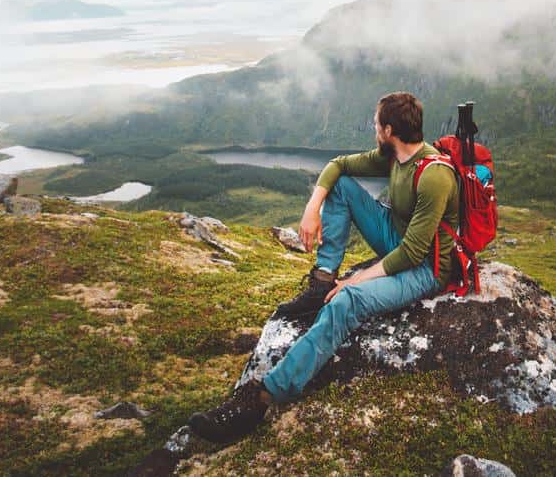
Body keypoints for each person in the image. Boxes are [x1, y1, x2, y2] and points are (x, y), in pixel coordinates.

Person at [188, 91, 460, 442]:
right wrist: (312, 207)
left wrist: (357, 280)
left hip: (426, 267)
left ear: (389, 129)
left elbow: (412, 253)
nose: (374, 128)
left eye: (377, 124)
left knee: (347, 302)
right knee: (341, 187)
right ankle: (322, 281)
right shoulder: (394, 157)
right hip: (396, 236)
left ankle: (262, 398)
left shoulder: (435, 175)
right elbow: (338, 166)